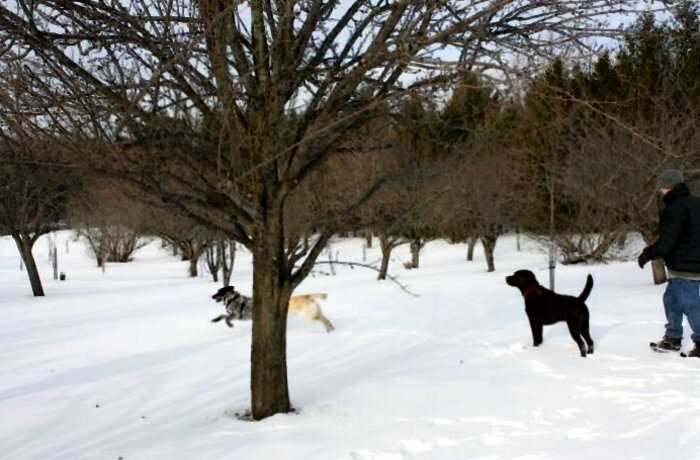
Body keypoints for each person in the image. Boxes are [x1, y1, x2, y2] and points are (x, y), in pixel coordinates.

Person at [638, 169, 700, 357]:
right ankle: (673, 338)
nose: (660, 191)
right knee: (671, 300)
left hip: (686, 266)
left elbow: (668, 241)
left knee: (691, 305)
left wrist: (647, 254)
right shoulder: (696, 203)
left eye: (662, 187)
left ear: (669, 187)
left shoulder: (674, 208)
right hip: (686, 264)